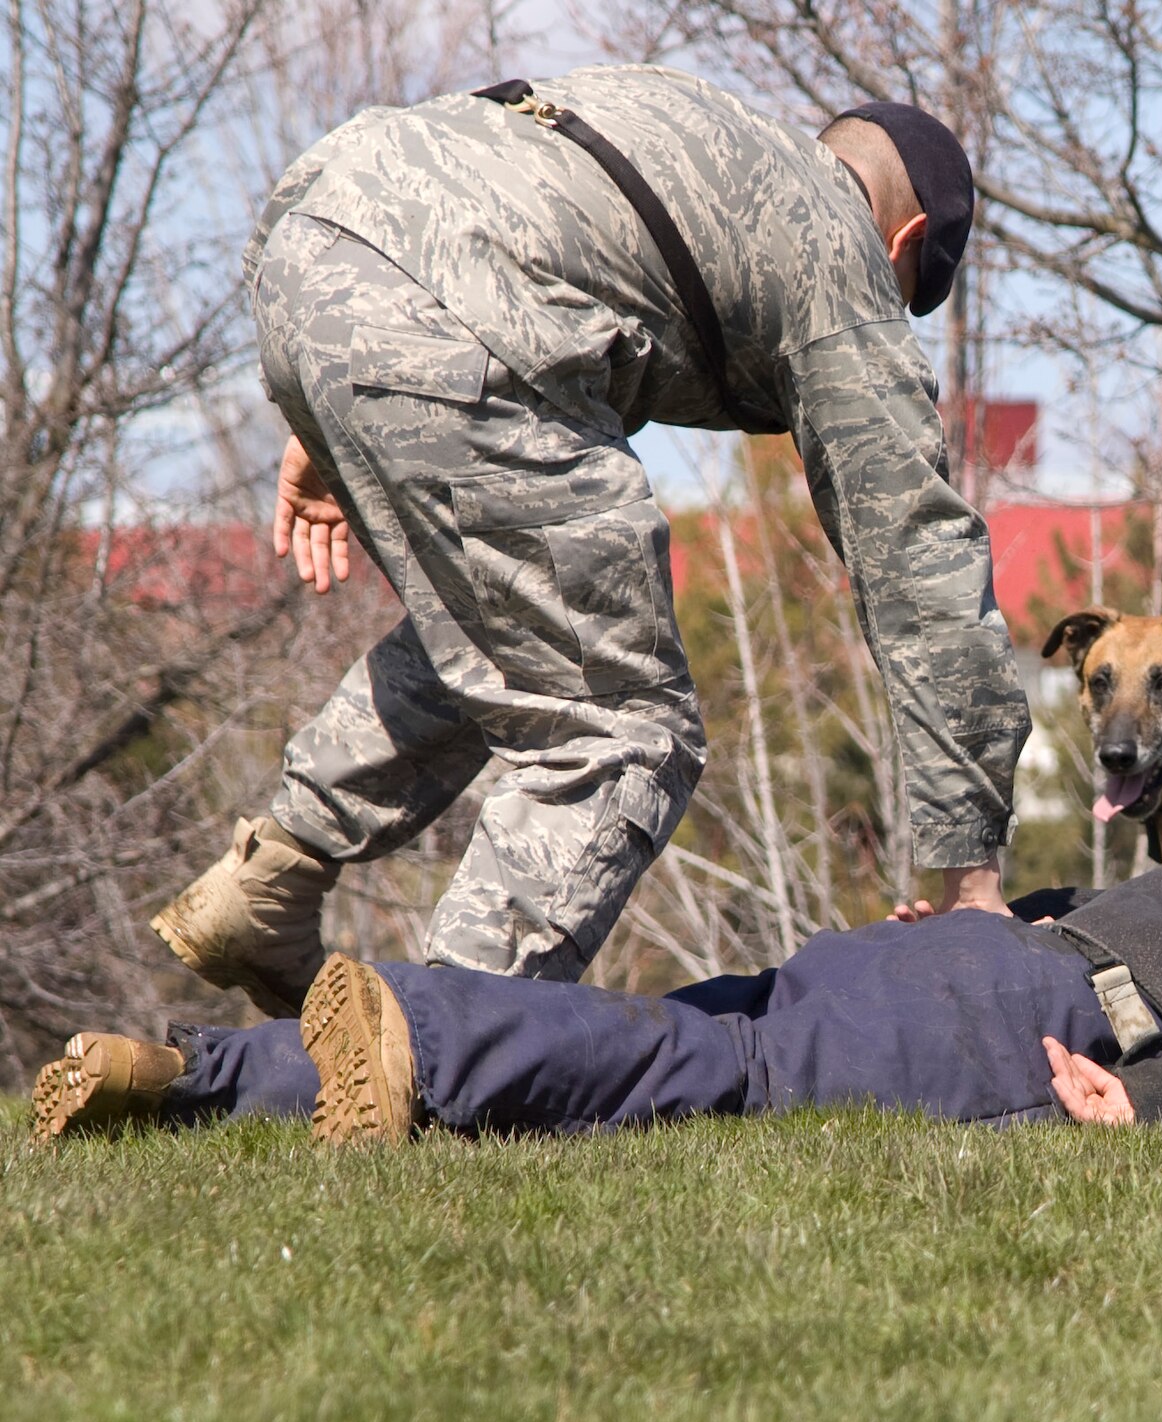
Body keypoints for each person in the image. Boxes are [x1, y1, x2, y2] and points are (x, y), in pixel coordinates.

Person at [151, 67, 1029, 1019]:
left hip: (314, 245)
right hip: (449, 315)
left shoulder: (702, 129)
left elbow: (465, 219)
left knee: (520, 629)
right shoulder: (838, 249)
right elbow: (921, 560)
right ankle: (455, 1043)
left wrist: (328, 411)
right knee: (624, 727)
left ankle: (272, 876)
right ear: (903, 241)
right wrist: (968, 872)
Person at [36, 829, 1162, 1146]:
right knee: (693, 1076)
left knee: (675, 1048)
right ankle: (408, 1018)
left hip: (966, 950)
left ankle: (188, 1078)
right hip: (1023, 1019)